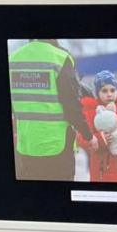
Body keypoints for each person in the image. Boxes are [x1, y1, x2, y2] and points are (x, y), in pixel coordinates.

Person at [9, 39, 98, 181]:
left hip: (26, 147)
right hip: (57, 148)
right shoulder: (60, 58)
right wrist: (89, 136)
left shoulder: (13, 59)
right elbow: (71, 105)